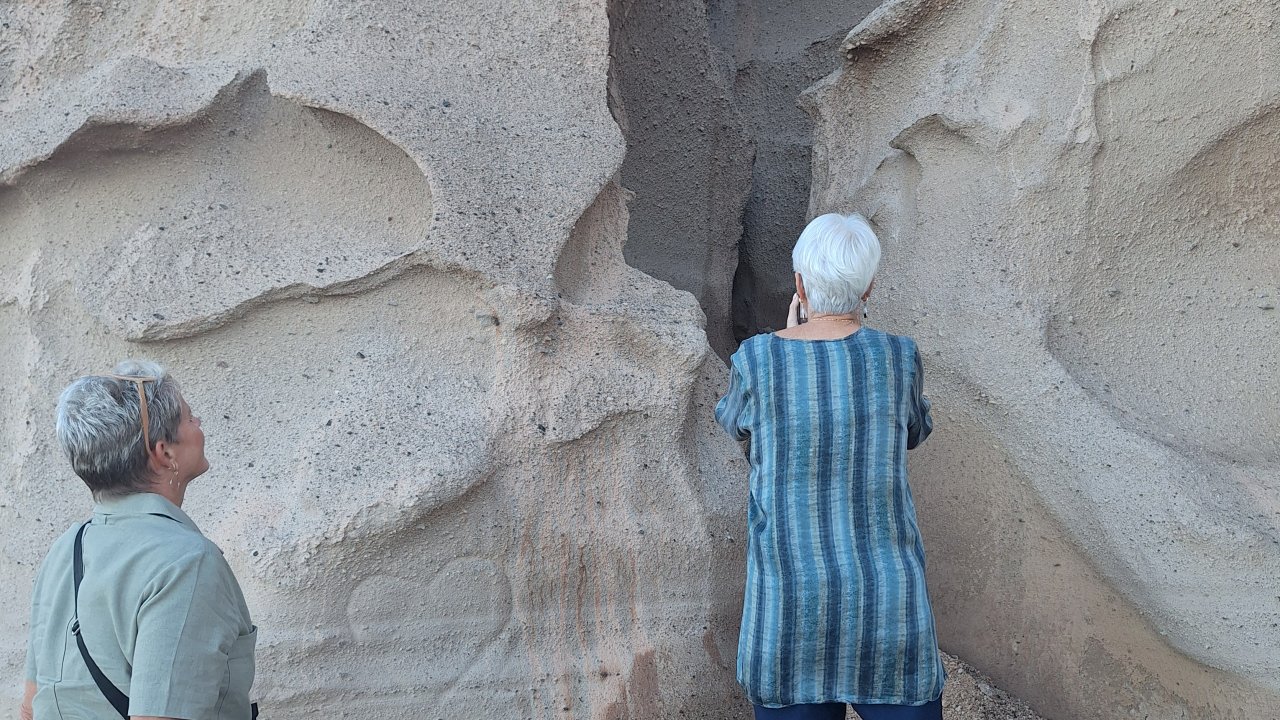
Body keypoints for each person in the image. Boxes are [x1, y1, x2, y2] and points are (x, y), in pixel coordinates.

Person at [715, 213, 943, 720]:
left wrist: (792, 337)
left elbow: (737, 429)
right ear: (869, 288)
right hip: (888, 607)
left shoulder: (755, 361)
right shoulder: (898, 357)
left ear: (799, 283)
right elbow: (913, 432)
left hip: (790, 609)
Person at [21, 360, 257, 720]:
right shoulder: (187, 563)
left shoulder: (66, 548)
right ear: (164, 453)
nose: (199, 424)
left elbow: (32, 705)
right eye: (189, 417)